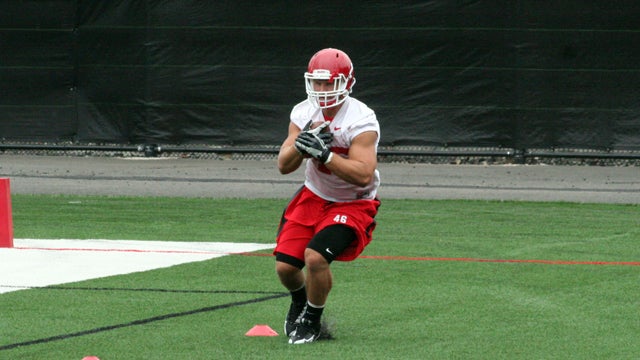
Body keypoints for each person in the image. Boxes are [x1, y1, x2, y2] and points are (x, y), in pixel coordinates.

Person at [274, 48, 381, 344]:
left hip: (353, 201)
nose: (322, 91)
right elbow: (283, 166)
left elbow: (363, 174)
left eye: (329, 84)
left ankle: (312, 319)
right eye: (318, 83)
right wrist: (300, 147)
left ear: (347, 83)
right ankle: (299, 300)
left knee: (315, 257)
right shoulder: (303, 112)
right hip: (314, 195)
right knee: (285, 267)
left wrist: (325, 155)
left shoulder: (361, 120)